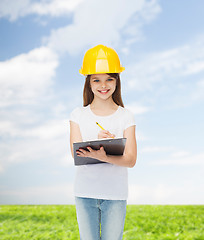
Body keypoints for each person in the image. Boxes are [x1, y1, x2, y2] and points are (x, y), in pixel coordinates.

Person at [69, 44, 137, 240]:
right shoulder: (78, 115)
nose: (103, 85)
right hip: (85, 193)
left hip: (115, 195)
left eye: (109, 79)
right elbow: (76, 154)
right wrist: (98, 147)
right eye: (96, 79)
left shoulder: (126, 116)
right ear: (88, 83)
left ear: (117, 81)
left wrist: (104, 155)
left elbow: (131, 159)